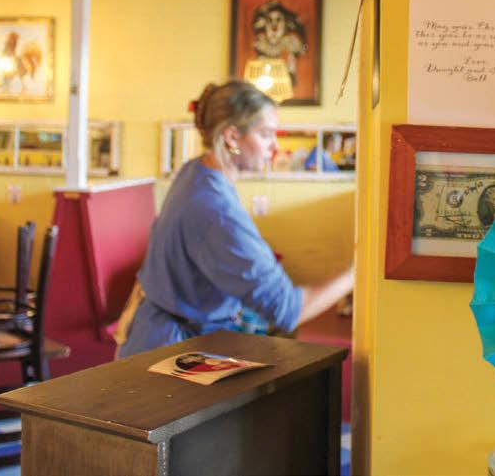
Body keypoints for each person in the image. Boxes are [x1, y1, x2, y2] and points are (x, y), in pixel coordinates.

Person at [117, 81, 354, 357]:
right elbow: (288, 310)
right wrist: (355, 273)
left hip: (156, 328)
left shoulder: (196, 171)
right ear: (231, 137)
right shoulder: (214, 208)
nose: (275, 146)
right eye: (265, 134)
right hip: (169, 350)